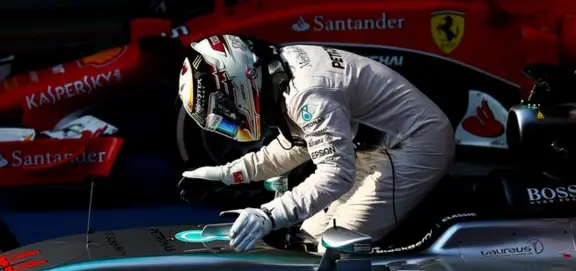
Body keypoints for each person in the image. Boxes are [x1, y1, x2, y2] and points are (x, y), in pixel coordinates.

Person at [177, 35, 455, 252]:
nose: (229, 124)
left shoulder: (307, 94)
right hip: (375, 145)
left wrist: (268, 215)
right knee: (309, 235)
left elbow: (335, 174)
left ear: (237, 84)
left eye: (223, 117)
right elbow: (290, 150)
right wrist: (222, 175)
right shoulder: (280, 72)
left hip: (415, 144)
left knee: (334, 248)